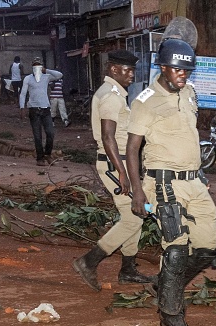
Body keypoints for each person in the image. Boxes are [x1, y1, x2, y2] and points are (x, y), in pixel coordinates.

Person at [125, 39, 216, 326]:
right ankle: (170, 315)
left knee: (208, 248)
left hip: (194, 180)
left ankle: (166, 283)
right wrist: (137, 191)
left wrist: (200, 173)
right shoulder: (145, 100)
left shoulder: (190, 92)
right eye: (178, 70)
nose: (184, 75)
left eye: (187, 70)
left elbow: (189, 136)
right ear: (163, 67)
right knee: (176, 248)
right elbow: (132, 149)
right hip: (163, 181)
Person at [72, 49, 153, 291]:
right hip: (114, 164)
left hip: (121, 163)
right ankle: (89, 261)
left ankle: (128, 269)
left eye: (133, 70)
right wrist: (121, 172)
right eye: (128, 70)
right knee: (133, 217)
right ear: (114, 70)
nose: (132, 75)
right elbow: (108, 138)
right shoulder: (110, 96)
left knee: (137, 214)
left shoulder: (116, 93)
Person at [19, 57, 63, 166]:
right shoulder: (28, 79)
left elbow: (59, 75)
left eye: (38, 65)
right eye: (35, 65)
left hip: (45, 109)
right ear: (32, 67)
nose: (36, 67)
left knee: (50, 133)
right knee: (37, 136)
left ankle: (47, 154)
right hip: (33, 109)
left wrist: (46, 70)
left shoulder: (46, 77)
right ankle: (40, 158)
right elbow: (23, 93)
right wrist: (22, 107)